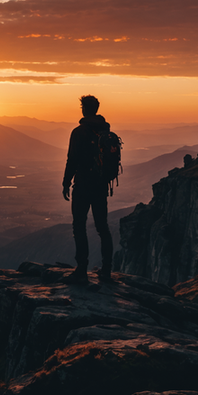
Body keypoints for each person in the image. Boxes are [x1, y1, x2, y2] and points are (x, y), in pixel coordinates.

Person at [62, 94, 114, 283]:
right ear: (97, 109)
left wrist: (66, 182)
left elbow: (72, 159)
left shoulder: (79, 132)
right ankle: (107, 270)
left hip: (83, 185)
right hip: (101, 186)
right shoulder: (105, 132)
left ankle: (82, 269)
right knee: (103, 228)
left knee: (79, 226)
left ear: (84, 109)